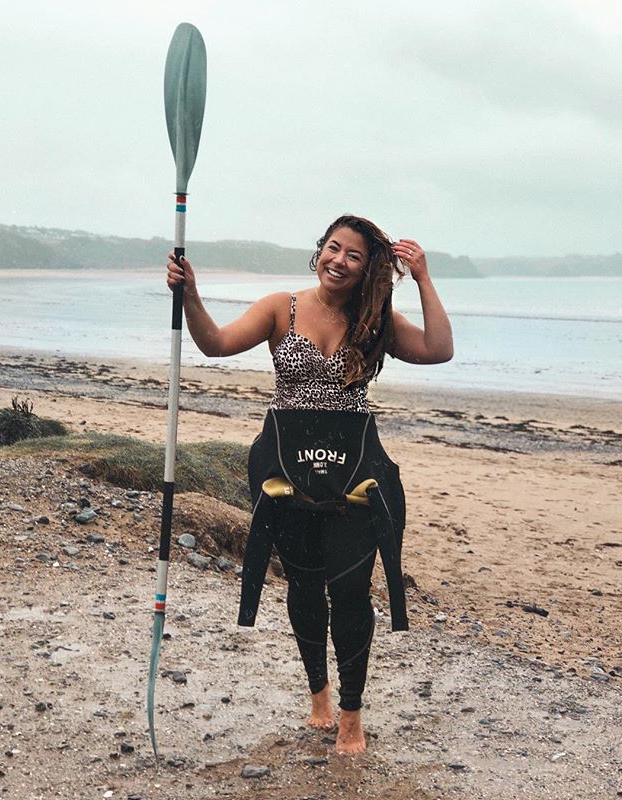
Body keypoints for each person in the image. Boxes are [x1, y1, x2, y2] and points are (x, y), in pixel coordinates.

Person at [166, 214, 453, 755]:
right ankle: (318, 692)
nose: (338, 261)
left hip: (354, 469)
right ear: (319, 249)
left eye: (353, 256)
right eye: (333, 248)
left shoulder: (376, 318)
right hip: (285, 467)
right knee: (303, 584)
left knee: (349, 589)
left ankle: (350, 713)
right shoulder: (282, 307)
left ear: (368, 269)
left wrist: (424, 280)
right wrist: (192, 295)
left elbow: (439, 349)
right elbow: (216, 343)